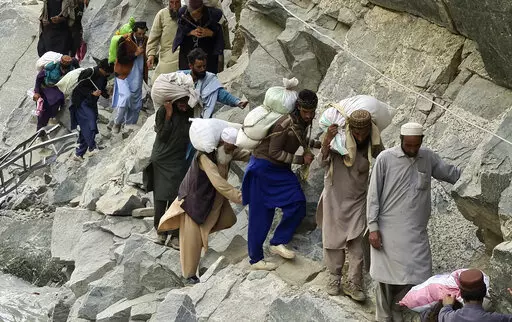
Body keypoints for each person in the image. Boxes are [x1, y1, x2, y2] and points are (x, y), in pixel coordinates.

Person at [367, 122, 462, 322]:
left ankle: (398, 307)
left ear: (421, 141)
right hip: (387, 229)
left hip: (416, 231)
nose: (411, 149)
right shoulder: (385, 159)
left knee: (419, 275)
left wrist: (471, 179)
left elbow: (450, 174)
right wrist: (373, 227)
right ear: (401, 140)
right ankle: (383, 317)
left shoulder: (427, 157)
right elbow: (373, 195)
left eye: (415, 146)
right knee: (385, 278)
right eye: (408, 145)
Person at [158, 127, 250, 284]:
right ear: (221, 142)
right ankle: (189, 276)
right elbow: (219, 184)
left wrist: (263, 153)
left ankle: (202, 235)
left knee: (228, 219)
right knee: (191, 242)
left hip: (212, 200)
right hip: (194, 202)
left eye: (234, 146)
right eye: (230, 146)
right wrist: (243, 197)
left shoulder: (228, 151)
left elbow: (247, 154)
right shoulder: (205, 157)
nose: (232, 149)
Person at [242, 89, 318, 271]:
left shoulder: (301, 122)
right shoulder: (283, 124)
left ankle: (278, 241)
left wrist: (315, 144)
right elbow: (274, 152)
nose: (308, 116)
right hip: (263, 168)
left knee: (297, 203)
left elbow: (298, 137)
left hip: (279, 169)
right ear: (298, 108)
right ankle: (256, 259)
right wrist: (300, 160)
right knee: (261, 214)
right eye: (305, 112)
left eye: (311, 112)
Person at [316, 109, 384, 301]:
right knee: (332, 238)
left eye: (364, 132)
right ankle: (334, 277)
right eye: (356, 132)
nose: (360, 136)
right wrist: (327, 140)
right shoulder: (337, 140)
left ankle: (354, 283)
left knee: (356, 242)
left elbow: (384, 162)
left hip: (358, 198)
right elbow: (321, 162)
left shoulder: (374, 142)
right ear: (350, 129)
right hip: (334, 196)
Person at [146, 79, 200, 248]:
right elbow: (162, 135)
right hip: (161, 159)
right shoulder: (163, 111)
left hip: (179, 160)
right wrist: (169, 113)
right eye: (181, 102)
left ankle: (175, 235)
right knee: (161, 198)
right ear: (174, 101)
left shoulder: (191, 112)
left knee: (178, 197)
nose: (184, 105)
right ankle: (161, 232)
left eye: (186, 101)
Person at [182, 48, 247, 119]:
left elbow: (222, 94)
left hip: (201, 118)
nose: (203, 69)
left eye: (204, 66)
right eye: (199, 67)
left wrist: (237, 102)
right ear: (191, 66)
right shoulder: (180, 77)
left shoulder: (209, 79)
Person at [69, 59, 113, 161]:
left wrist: (107, 94)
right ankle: (92, 147)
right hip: (81, 101)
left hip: (91, 102)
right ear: (102, 69)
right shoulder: (90, 73)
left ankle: (79, 153)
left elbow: (101, 89)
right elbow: (79, 87)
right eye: (107, 72)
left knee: (86, 125)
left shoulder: (103, 76)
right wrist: (91, 93)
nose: (107, 74)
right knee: (90, 121)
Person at [111, 21, 149, 133]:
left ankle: (129, 125)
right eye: (139, 34)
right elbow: (120, 59)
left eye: (143, 34)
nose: (141, 36)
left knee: (136, 102)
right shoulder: (124, 40)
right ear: (134, 32)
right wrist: (135, 54)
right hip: (123, 75)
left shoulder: (146, 40)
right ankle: (117, 123)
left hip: (137, 75)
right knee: (125, 97)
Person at [438, 269, 512, 322]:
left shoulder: (450, 317)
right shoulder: (496, 319)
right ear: (484, 291)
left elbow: (443, 315)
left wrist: (447, 306)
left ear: (461, 294)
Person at [173, 0, 224, 73]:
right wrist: (190, 32)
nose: (194, 16)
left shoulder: (213, 14)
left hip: (208, 52)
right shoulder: (183, 13)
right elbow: (181, 28)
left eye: (197, 13)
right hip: (187, 51)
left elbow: (219, 32)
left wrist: (210, 33)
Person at [33, 55, 77, 132]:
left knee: (54, 108)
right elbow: (39, 78)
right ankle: (40, 132)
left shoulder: (71, 69)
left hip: (58, 92)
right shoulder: (51, 69)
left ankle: (51, 118)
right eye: (64, 62)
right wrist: (36, 92)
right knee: (43, 114)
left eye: (67, 63)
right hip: (45, 90)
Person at [146, 0, 181, 84]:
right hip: (167, 57)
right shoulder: (162, 14)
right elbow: (154, 36)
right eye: (172, 2)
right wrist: (151, 54)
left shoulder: (187, 13)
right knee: (157, 83)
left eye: (177, 2)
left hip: (184, 57)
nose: (174, 6)